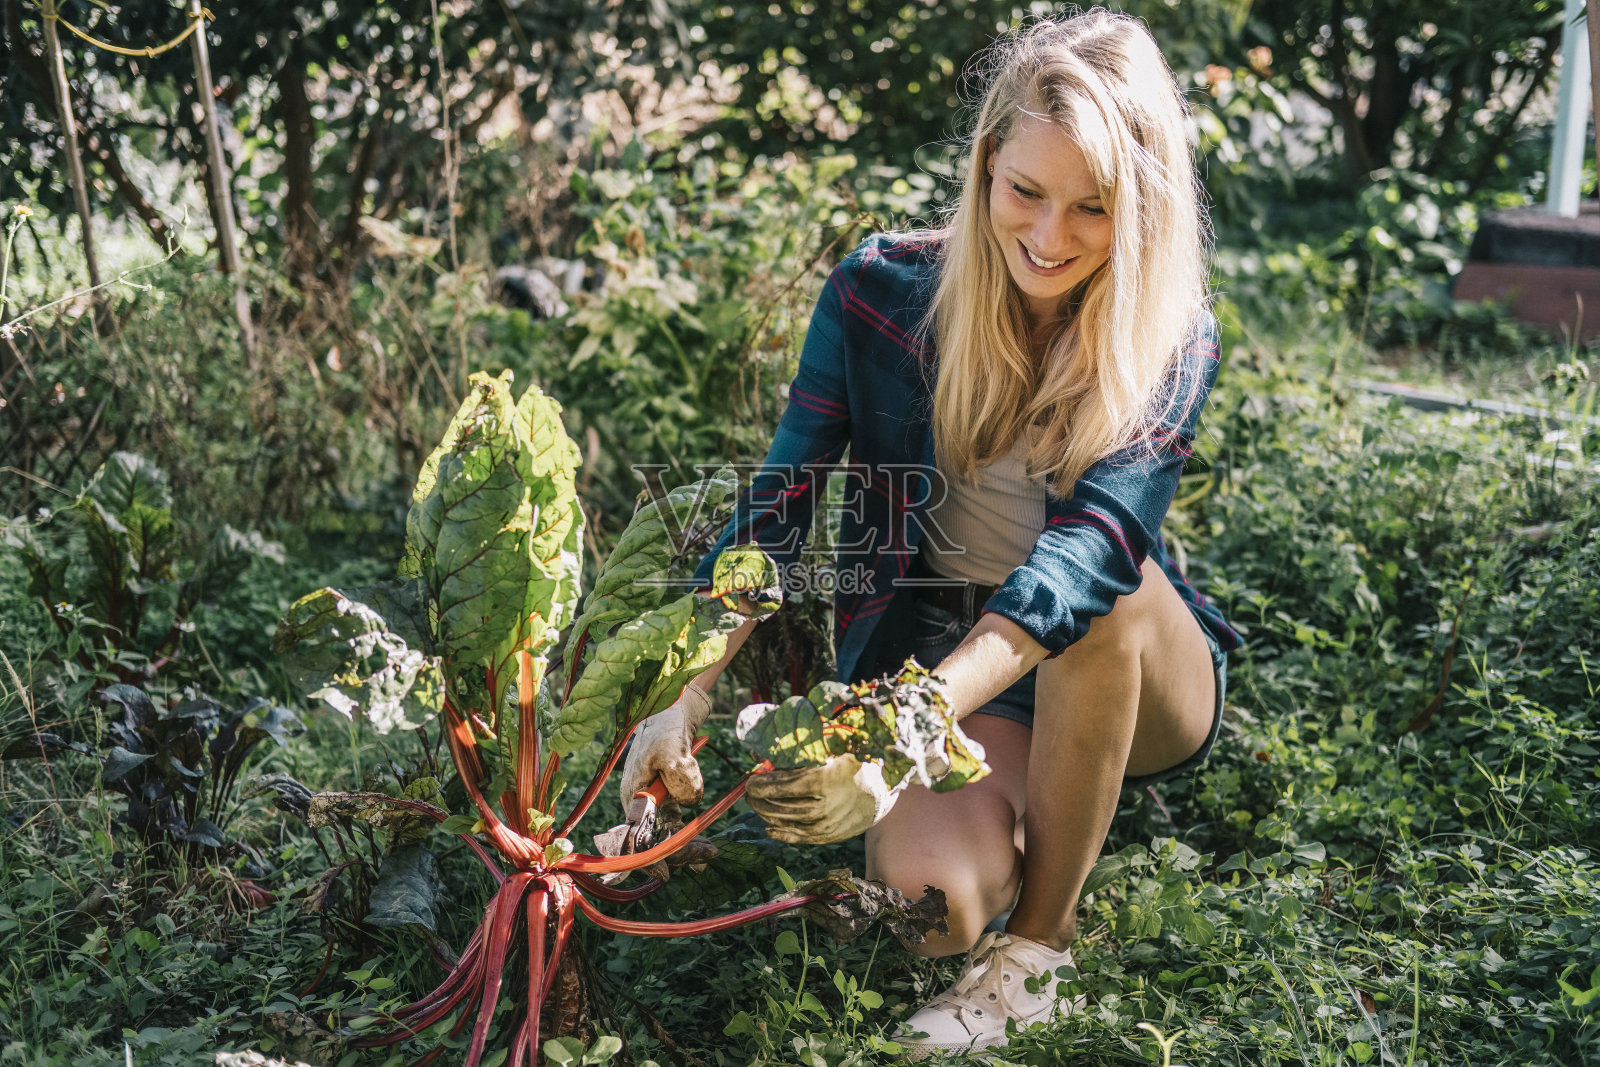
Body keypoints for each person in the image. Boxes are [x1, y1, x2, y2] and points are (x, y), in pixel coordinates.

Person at [619, 8, 1240, 1058]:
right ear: (987, 163)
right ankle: (1012, 846)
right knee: (924, 910)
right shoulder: (879, 290)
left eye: (1092, 209)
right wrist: (682, 690)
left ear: (1140, 210)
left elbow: (1087, 554)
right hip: (944, 655)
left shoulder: (1168, 331)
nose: (1049, 237)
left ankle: (1041, 945)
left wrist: (908, 714)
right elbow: (775, 511)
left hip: (1130, 659)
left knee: (1110, 591)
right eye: (1026, 192)